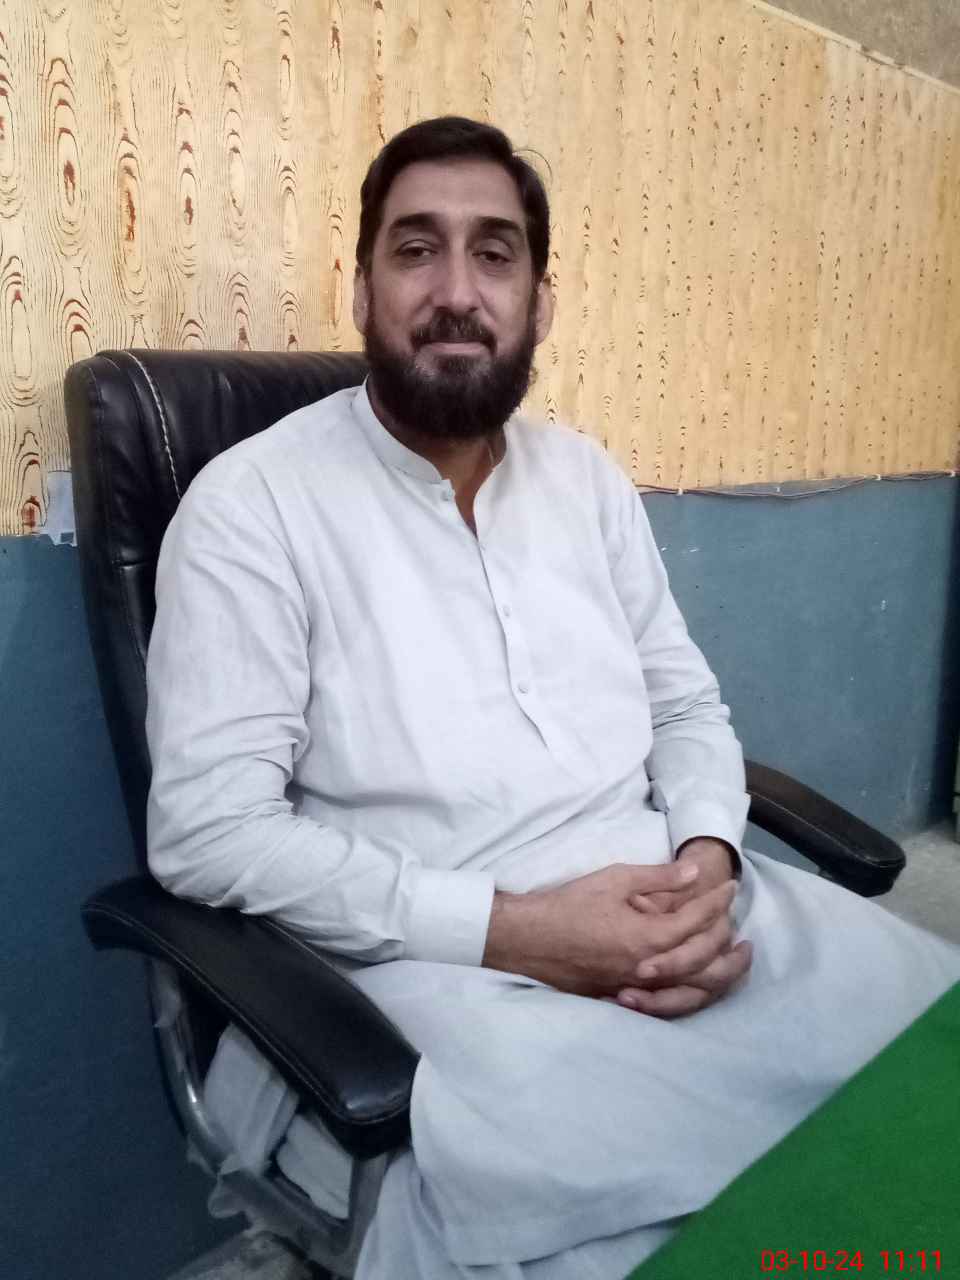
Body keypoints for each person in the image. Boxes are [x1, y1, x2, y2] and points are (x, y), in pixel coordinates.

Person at [145, 117, 960, 1279]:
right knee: (654, 1209)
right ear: (361, 288)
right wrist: (522, 929)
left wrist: (708, 862)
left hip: (673, 898)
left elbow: (685, 710)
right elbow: (208, 831)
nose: (456, 291)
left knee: (924, 1045)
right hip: (432, 971)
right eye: (415, 249)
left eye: (495, 252)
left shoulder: (586, 480)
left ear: (540, 299)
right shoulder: (252, 509)